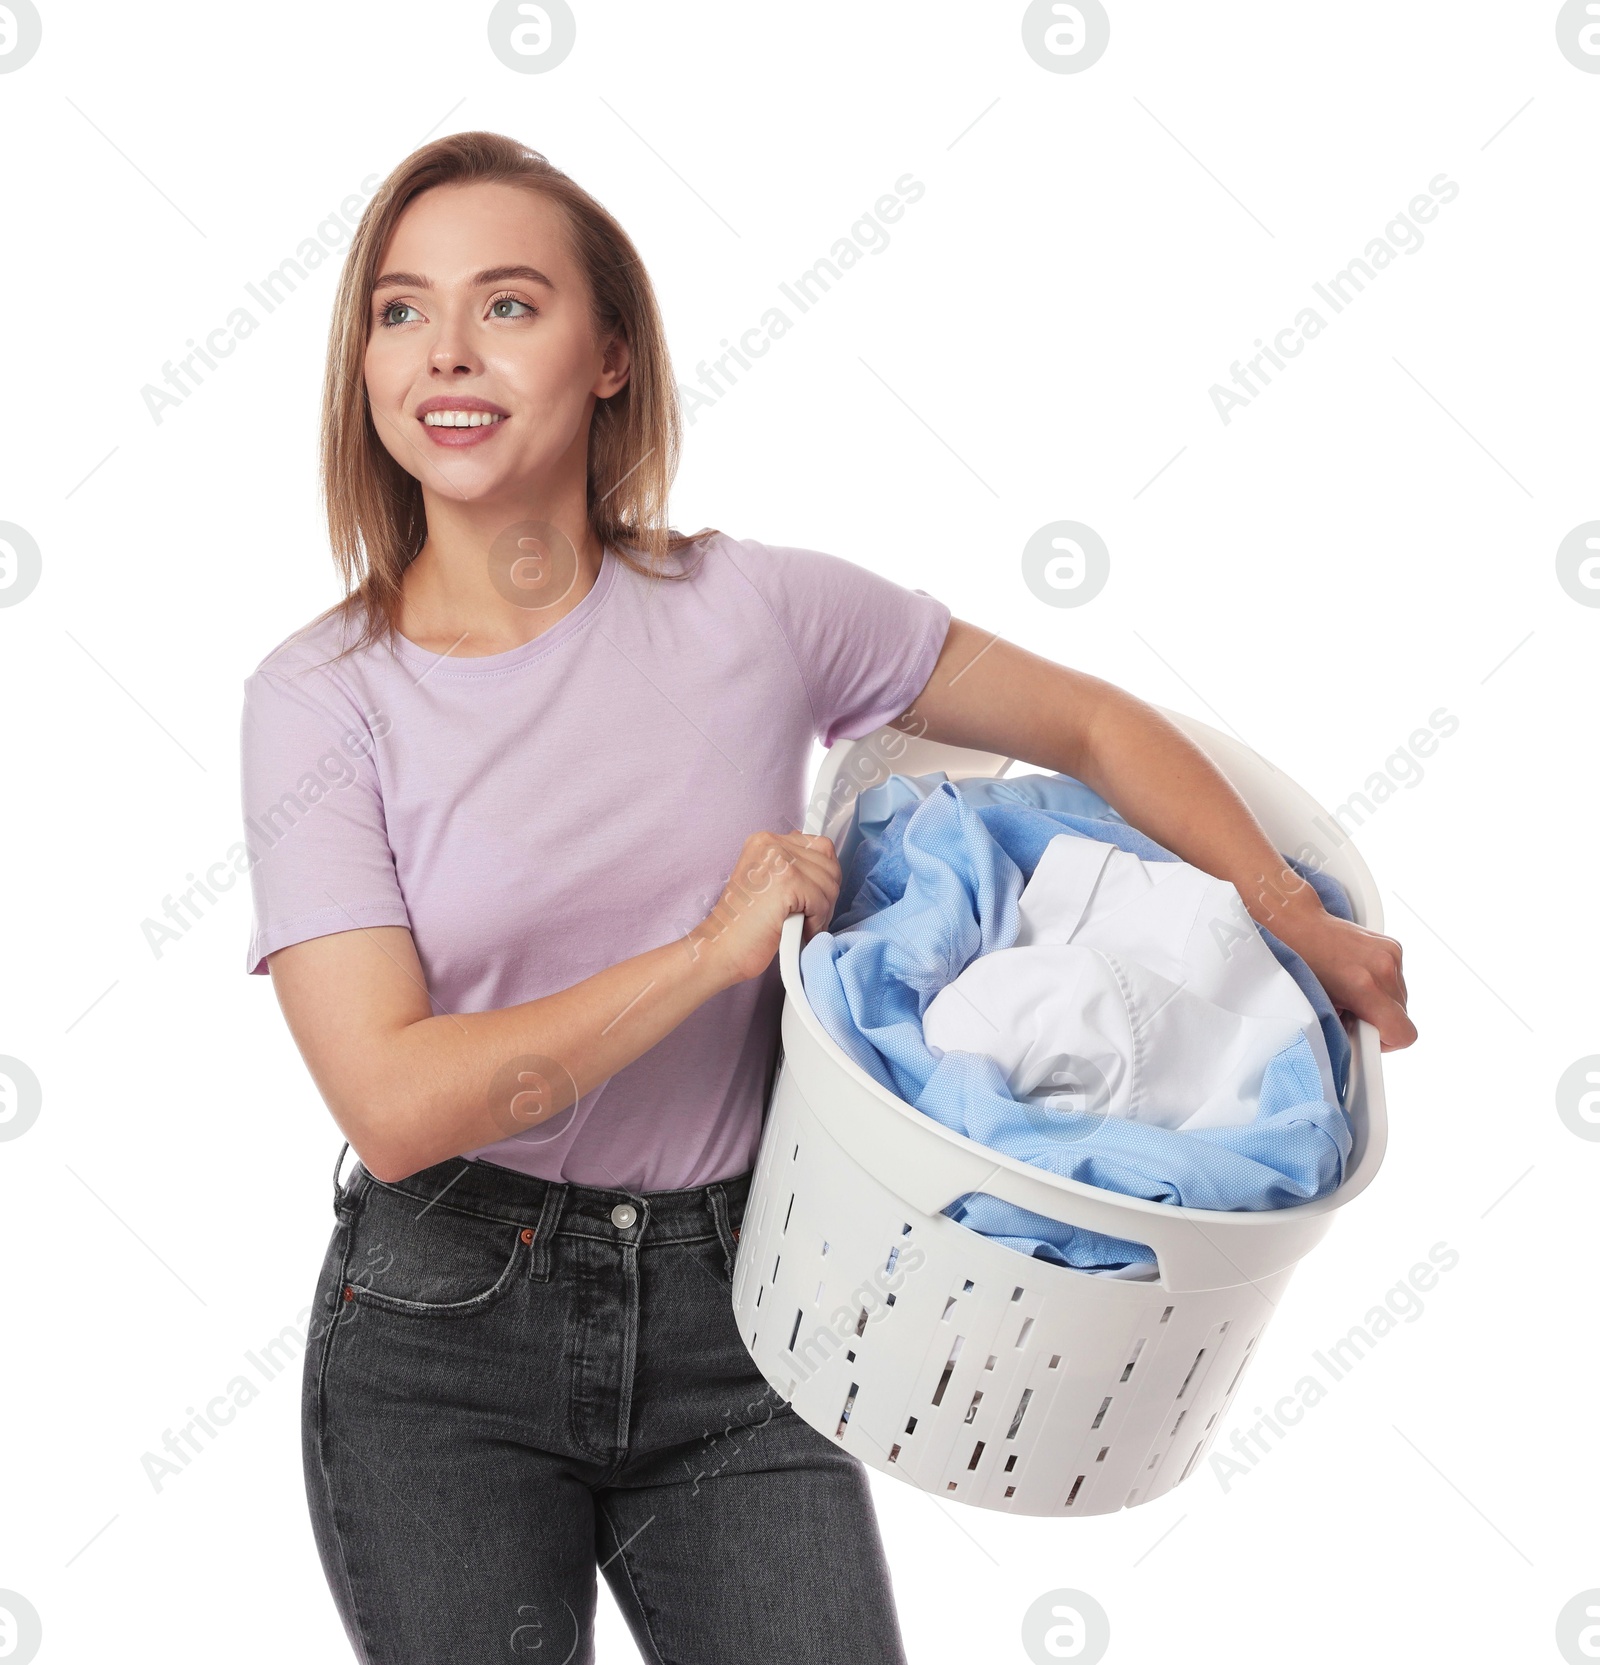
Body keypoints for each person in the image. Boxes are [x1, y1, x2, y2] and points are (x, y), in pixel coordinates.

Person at [240, 130, 1415, 1665]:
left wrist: (1289, 914)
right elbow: (394, 1101)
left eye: (508, 305)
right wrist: (708, 957)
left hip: (753, 1304)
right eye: (401, 311)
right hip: (444, 1328)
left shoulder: (761, 612)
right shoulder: (323, 701)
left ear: (610, 356)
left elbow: (1093, 725)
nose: (446, 352)